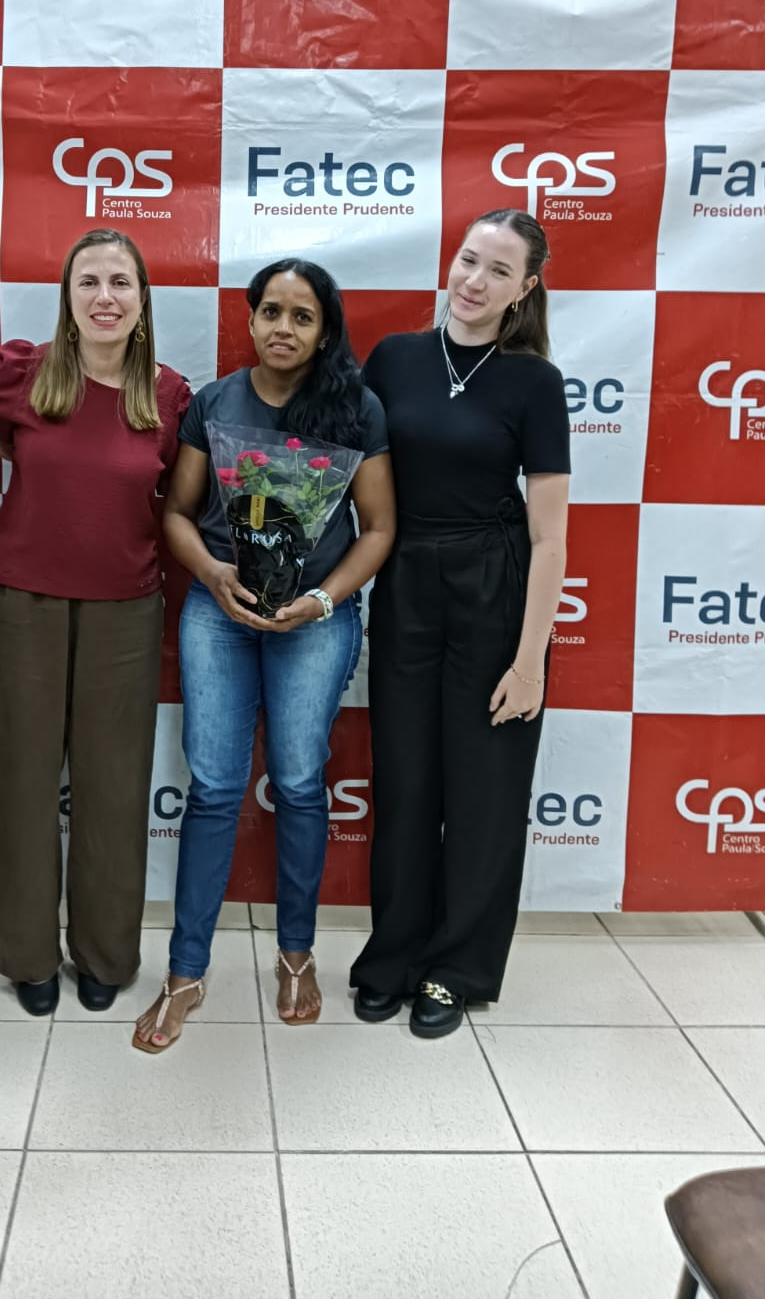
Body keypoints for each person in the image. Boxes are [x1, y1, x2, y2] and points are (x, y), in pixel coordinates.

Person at [132, 259, 396, 1053]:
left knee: (301, 783)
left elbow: (380, 528)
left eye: (302, 315)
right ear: (249, 320)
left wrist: (323, 600)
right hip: (219, 614)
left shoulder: (357, 409)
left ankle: (296, 956)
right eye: (271, 311)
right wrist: (213, 575)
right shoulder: (215, 404)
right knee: (214, 788)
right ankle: (185, 973)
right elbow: (178, 514)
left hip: (315, 620)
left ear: (325, 330)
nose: (284, 327)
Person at [0, 229, 191, 1017]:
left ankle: (104, 955)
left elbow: (186, 506)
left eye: (120, 282)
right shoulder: (23, 375)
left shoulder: (168, 395)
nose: (104, 297)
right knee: (23, 783)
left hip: (126, 609)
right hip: (20, 603)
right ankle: (26, 956)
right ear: (66, 296)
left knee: (113, 788)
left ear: (142, 300)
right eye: (88, 281)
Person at [350, 208, 570, 1039]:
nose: (475, 281)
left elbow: (550, 536)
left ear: (526, 288)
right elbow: (351, 473)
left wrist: (531, 660)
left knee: (484, 792)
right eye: (469, 260)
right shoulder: (395, 359)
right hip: (407, 580)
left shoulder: (534, 382)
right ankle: (394, 956)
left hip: (494, 587)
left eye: (499, 270)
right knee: (406, 783)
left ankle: (457, 970)